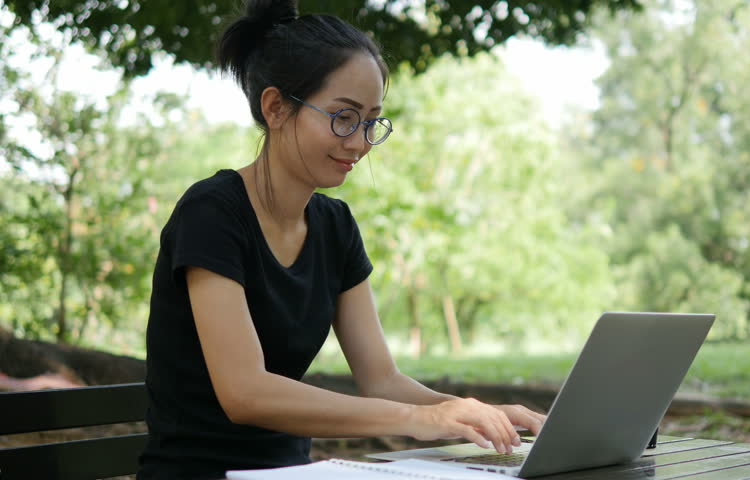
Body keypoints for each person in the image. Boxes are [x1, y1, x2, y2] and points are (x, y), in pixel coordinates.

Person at [137, 0, 545, 478]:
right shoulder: (211, 214)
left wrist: (473, 411)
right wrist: (418, 419)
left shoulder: (335, 226)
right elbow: (244, 393)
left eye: (371, 121)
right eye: (343, 117)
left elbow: (382, 379)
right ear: (275, 108)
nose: (360, 142)